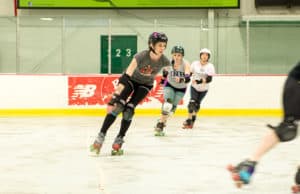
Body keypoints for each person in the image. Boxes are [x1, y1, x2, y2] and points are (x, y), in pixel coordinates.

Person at [90, 32, 171, 155]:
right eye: (160, 45)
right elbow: (126, 76)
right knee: (119, 107)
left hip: (145, 85)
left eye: (164, 45)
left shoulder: (165, 60)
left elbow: (167, 73)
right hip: (131, 80)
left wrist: (166, 80)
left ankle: (120, 138)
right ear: (151, 45)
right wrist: (116, 96)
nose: (162, 48)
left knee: (129, 109)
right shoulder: (141, 56)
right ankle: (101, 135)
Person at [228, 62, 300, 192]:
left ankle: (249, 165)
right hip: (296, 85)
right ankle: (249, 164)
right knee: (287, 129)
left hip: (294, 84)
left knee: (288, 129)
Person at [154, 45, 191, 136]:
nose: (177, 57)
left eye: (179, 55)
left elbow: (188, 78)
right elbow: (165, 73)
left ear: (182, 56)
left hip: (181, 88)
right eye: (175, 55)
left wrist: (182, 79)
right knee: (167, 104)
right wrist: (163, 80)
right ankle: (161, 124)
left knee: (171, 110)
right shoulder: (168, 62)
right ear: (172, 55)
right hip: (169, 85)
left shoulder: (186, 63)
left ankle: (162, 120)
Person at [182, 48, 215, 129]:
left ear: (208, 57)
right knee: (192, 103)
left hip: (204, 89)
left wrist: (199, 81)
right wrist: (187, 78)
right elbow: (189, 73)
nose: (204, 56)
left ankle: (192, 120)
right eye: (203, 54)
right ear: (200, 55)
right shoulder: (195, 64)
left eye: (206, 55)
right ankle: (189, 120)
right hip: (194, 87)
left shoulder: (210, 66)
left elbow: (209, 79)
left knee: (196, 106)